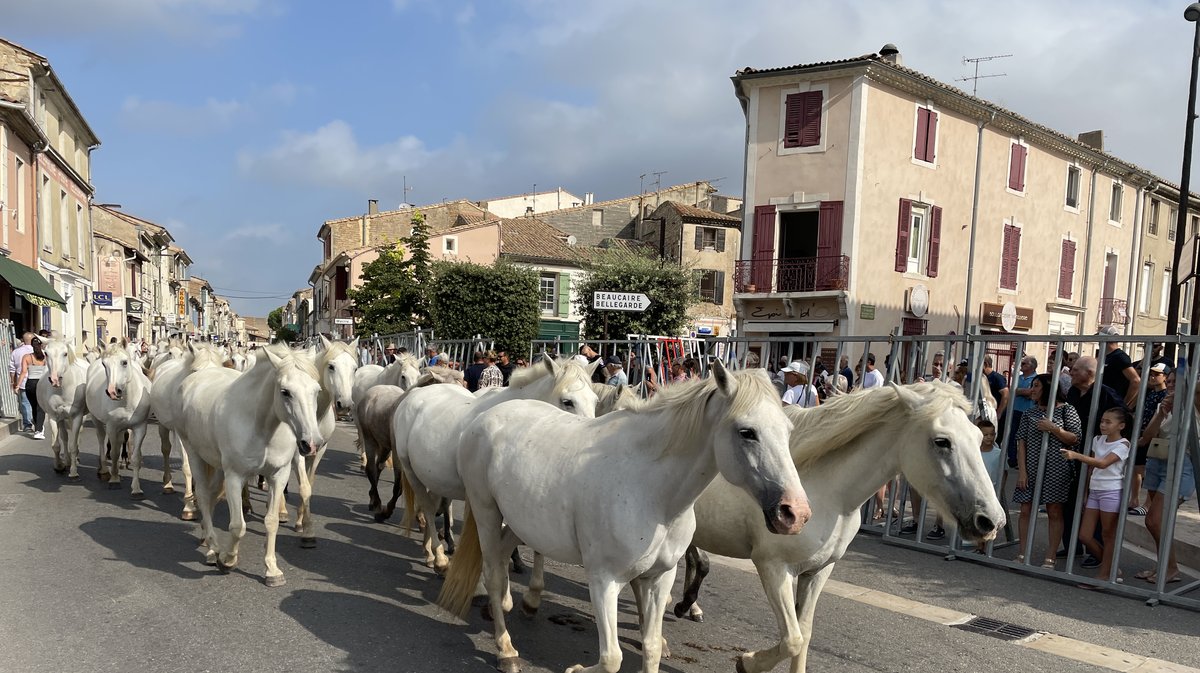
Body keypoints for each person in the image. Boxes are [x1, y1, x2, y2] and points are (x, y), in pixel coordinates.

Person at [1135, 369, 1198, 585]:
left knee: (1155, 519)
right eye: (1169, 381)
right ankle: (1165, 566)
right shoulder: (1165, 404)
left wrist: (1185, 386)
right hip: (1158, 460)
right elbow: (1147, 436)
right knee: (1159, 522)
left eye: (1175, 382)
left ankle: (1170, 568)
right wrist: (1162, 412)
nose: (1170, 385)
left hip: (1181, 464)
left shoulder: (1193, 403)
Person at [1015, 373, 1081, 570]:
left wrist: (1054, 429)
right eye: (1032, 385)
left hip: (1057, 469)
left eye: (1037, 386)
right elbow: (1021, 443)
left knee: (1054, 510)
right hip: (1031, 467)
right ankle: (1022, 552)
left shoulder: (1067, 410)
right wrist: (1022, 472)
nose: (1032, 390)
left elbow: (1075, 439)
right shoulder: (1029, 413)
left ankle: (1050, 557)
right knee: (1025, 509)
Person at [1061, 406, 1131, 587]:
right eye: (1102, 421)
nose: (1103, 425)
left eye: (1109, 422)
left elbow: (1101, 463)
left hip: (1112, 491)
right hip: (1095, 491)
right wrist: (1085, 493)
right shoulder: (1098, 439)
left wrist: (1076, 455)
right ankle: (1111, 568)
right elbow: (1092, 468)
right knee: (1084, 535)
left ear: (1121, 425)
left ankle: (1104, 575)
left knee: (1108, 534)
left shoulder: (1124, 444)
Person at [1129, 362, 1170, 515]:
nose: (1153, 376)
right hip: (1142, 433)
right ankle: (1134, 499)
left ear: (1165, 377)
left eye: (1157, 374)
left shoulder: (1165, 395)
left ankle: (1147, 504)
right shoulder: (1150, 392)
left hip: (1154, 436)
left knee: (1149, 469)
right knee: (1137, 467)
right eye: (1151, 373)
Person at [1098, 325, 1140, 409]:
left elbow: (1136, 381)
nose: (1098, 342)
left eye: (1099, 339)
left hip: (1113, 404)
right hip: (1104, 402)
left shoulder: (1120, 357)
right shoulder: (1106, 356)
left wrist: (1123, 404)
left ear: (1107, 340)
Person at [16, 336, 49, 439]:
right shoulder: (46, 357)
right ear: (41, 345)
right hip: (42, 384)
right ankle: (39, 430)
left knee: (34, 406)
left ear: (31, 345)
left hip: (30, 384)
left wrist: (17, 385)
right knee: (41, 407)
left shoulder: (27, 357)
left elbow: (23, 372)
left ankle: (38, 426)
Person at [1009, 356, 1039, 468]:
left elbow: (1031, 393)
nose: (1021, 365)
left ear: (1031, 366)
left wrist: (1019, 391)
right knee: (1012, 435)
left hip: (1028, 411)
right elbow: (1013, 391)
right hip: (1016, 409)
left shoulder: (1036, 378)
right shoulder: (1018, 377)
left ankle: (1025, 462)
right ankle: (1012, 460)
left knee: (1026, 438)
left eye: (1024, 364)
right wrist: (1023, 391)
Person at [9, 332, 34, 432]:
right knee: (37, 403)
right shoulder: (39, 350)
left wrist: (12, 382)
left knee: (25, 403)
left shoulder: (16, 352)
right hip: (37, 382)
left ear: (23, 340)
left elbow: (12, 369)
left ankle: (28, 425)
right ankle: (37, 423)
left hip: (22, 382)